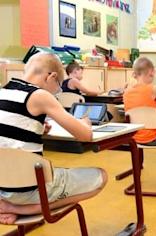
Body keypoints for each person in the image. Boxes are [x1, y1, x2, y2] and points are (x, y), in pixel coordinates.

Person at [0, 53, 107, 224]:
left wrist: (38, 128)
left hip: (3, 185)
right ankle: (14, 208)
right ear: (52, 77)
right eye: (58, 87)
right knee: (101, 176)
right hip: (28, 190)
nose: (57, 92)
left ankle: (8, 204)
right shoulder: (40, 95)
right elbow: (85, 136)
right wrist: (85, 123)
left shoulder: (4, 90)